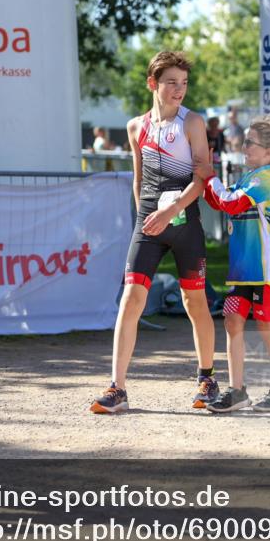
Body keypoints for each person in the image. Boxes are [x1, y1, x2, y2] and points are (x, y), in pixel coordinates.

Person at [91, 51, 217, 415]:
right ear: (152, 84)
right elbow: (138, 178)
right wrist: (145, 217)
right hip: (148, 224)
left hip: (184, 223)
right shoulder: (135, 127)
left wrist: (173, 210)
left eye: (184, 83)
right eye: (171, 83)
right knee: (130, 298)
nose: (179, 90)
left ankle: (207, 378)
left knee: (195, 304)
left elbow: (203, 176)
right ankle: (117, 387)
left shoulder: (192, 122)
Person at [201, 114, 270, 413]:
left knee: (266, 325)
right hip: (241, 271)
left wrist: (209, 176)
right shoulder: (250, 175)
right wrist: (208, 178)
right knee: (232, 321)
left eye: (249, 143)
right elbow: (219, 201)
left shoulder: (267, 178)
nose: (243, 147)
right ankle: (237, 390)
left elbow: (230, 203)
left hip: (263, 270)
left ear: (269, 152)